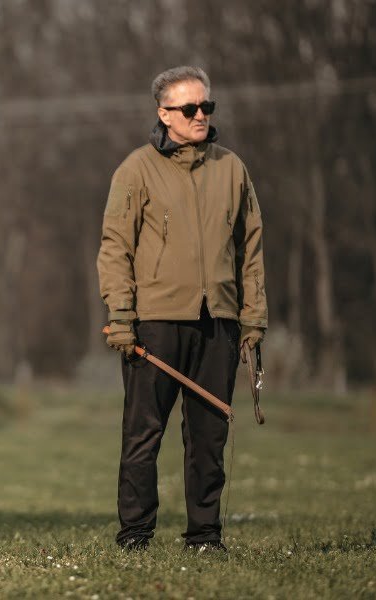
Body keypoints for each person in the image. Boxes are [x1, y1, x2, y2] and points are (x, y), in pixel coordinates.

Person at [96, 66, 267, 553]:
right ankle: (134, 535)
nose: (200, 116)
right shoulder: (136, 169)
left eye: (206, 107)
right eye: (189, 108)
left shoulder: (232, 168)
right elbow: (114, 248)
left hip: (220, 323)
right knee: (143, 436)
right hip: (154, 324)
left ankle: (205, 536)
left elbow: (250, 247)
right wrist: (122, 317)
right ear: (163, 114)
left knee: (209, 439)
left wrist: (252, 316)